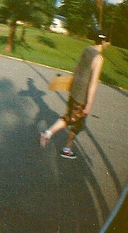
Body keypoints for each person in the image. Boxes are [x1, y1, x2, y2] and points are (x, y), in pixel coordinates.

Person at [40, 30, 109, 159]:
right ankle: (49, 134)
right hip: (82, 95)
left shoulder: (87, 49)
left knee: (76, 122)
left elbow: (77, 68)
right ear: (104, 42)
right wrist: (89, 103)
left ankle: (67, 147)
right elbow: (93, 82)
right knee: (72, 120)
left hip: (75, 89)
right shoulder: (99, 58)